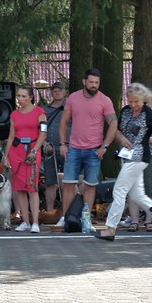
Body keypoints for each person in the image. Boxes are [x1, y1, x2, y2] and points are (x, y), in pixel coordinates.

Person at [95, 83, 152, 242]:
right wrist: (121, 138)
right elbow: (118, 130)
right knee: (137, 195)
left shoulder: (149, 114)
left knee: (119, 190)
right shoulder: (125, 111)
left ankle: (110, 228)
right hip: (126, 156)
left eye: (136, 101)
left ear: (144, 99)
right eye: (130, 101)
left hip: (139, 156)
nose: (133, 105)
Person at [58, 68, 118, 229]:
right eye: (91, 82)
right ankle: (66, 217)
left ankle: (86, 219)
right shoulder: (73, 98)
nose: (94, 85)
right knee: (68, 184)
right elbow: (63, 121)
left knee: (90, 185)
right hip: (74, 148)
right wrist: (63, 144)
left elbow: (113, 122)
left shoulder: (104, 100)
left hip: (94, 150)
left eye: (96, 82)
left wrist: (105, 146)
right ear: (84, 82)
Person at [2, 85, 47, 233]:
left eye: (23, 96)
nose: (20, 99)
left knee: (32, 187)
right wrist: (6, 156)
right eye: (18, 96)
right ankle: (25, 221)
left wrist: (34, 150)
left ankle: (35, 222)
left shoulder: (40, 112)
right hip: (16, 152)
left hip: (32, 151)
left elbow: (43, 134)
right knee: (19, 188)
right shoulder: (14, 114)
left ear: (31, 97)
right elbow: (11, 136)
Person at [125, 79, 152, 232]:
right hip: (134, 151)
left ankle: (150, 219)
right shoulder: (132, 110)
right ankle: (135, 220)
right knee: (133, 185)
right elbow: (128, 131)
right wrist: (148, 138)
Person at [42, 81, 69, 212]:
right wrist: (44, 144)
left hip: (67, 150)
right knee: (50, 182)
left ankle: (67, 211)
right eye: (54, 90)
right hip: (49, 150)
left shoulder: (71, 108)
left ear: (65, 92)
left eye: (59, 90)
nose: (57, 92)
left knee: (68, 182)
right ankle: (49, 212)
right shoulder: (44, 110)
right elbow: (40, 129)